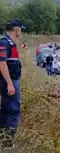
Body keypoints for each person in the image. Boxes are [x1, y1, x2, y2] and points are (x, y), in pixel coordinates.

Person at [0, 18, 25, 148]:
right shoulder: (4, 42)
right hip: (8, 82)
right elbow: (2, 64)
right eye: (20, 29)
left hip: (11, 81)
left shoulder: (11, 43)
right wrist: (10, 83)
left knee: (5, 110)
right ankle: (8, 143)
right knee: (13, 110)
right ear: (16, 29)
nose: (20, 31)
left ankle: (4, 140)